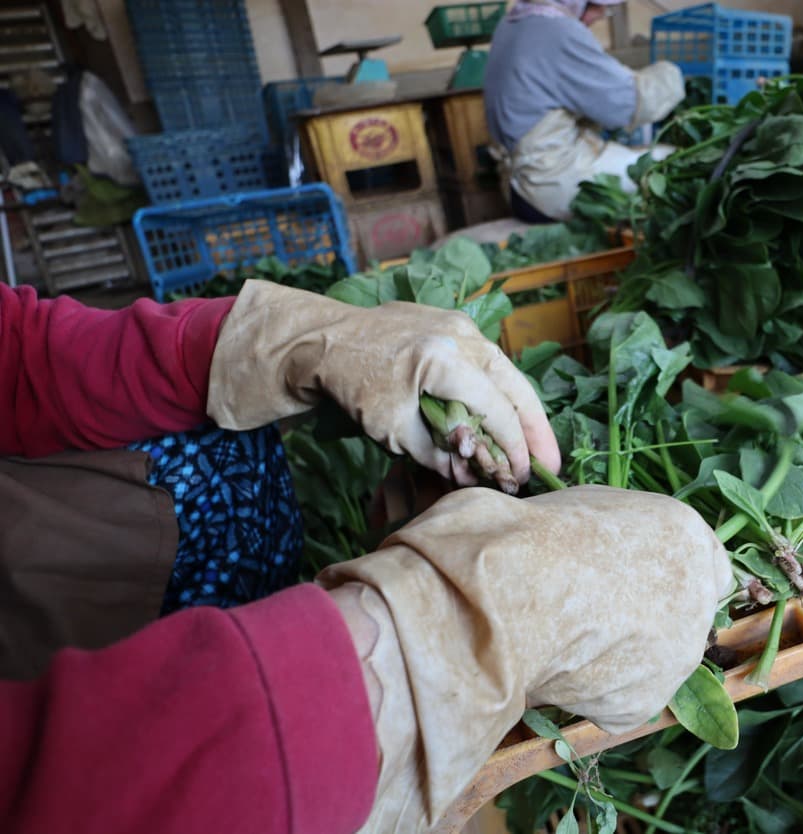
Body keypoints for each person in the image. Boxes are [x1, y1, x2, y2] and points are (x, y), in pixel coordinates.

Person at [0, 279, 731, 833]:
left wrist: (276, 340)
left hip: (125, 573)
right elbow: (72, 789)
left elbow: (17, 350)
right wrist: (420, 647)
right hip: (156, 718)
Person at [484, 0, 685, 222]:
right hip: (553, 187)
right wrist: (671, 73)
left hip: (517, 187)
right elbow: (625, 105)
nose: (600, 15)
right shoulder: (558, 30)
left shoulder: (513, 22)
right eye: (597, 6)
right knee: (673, 161)